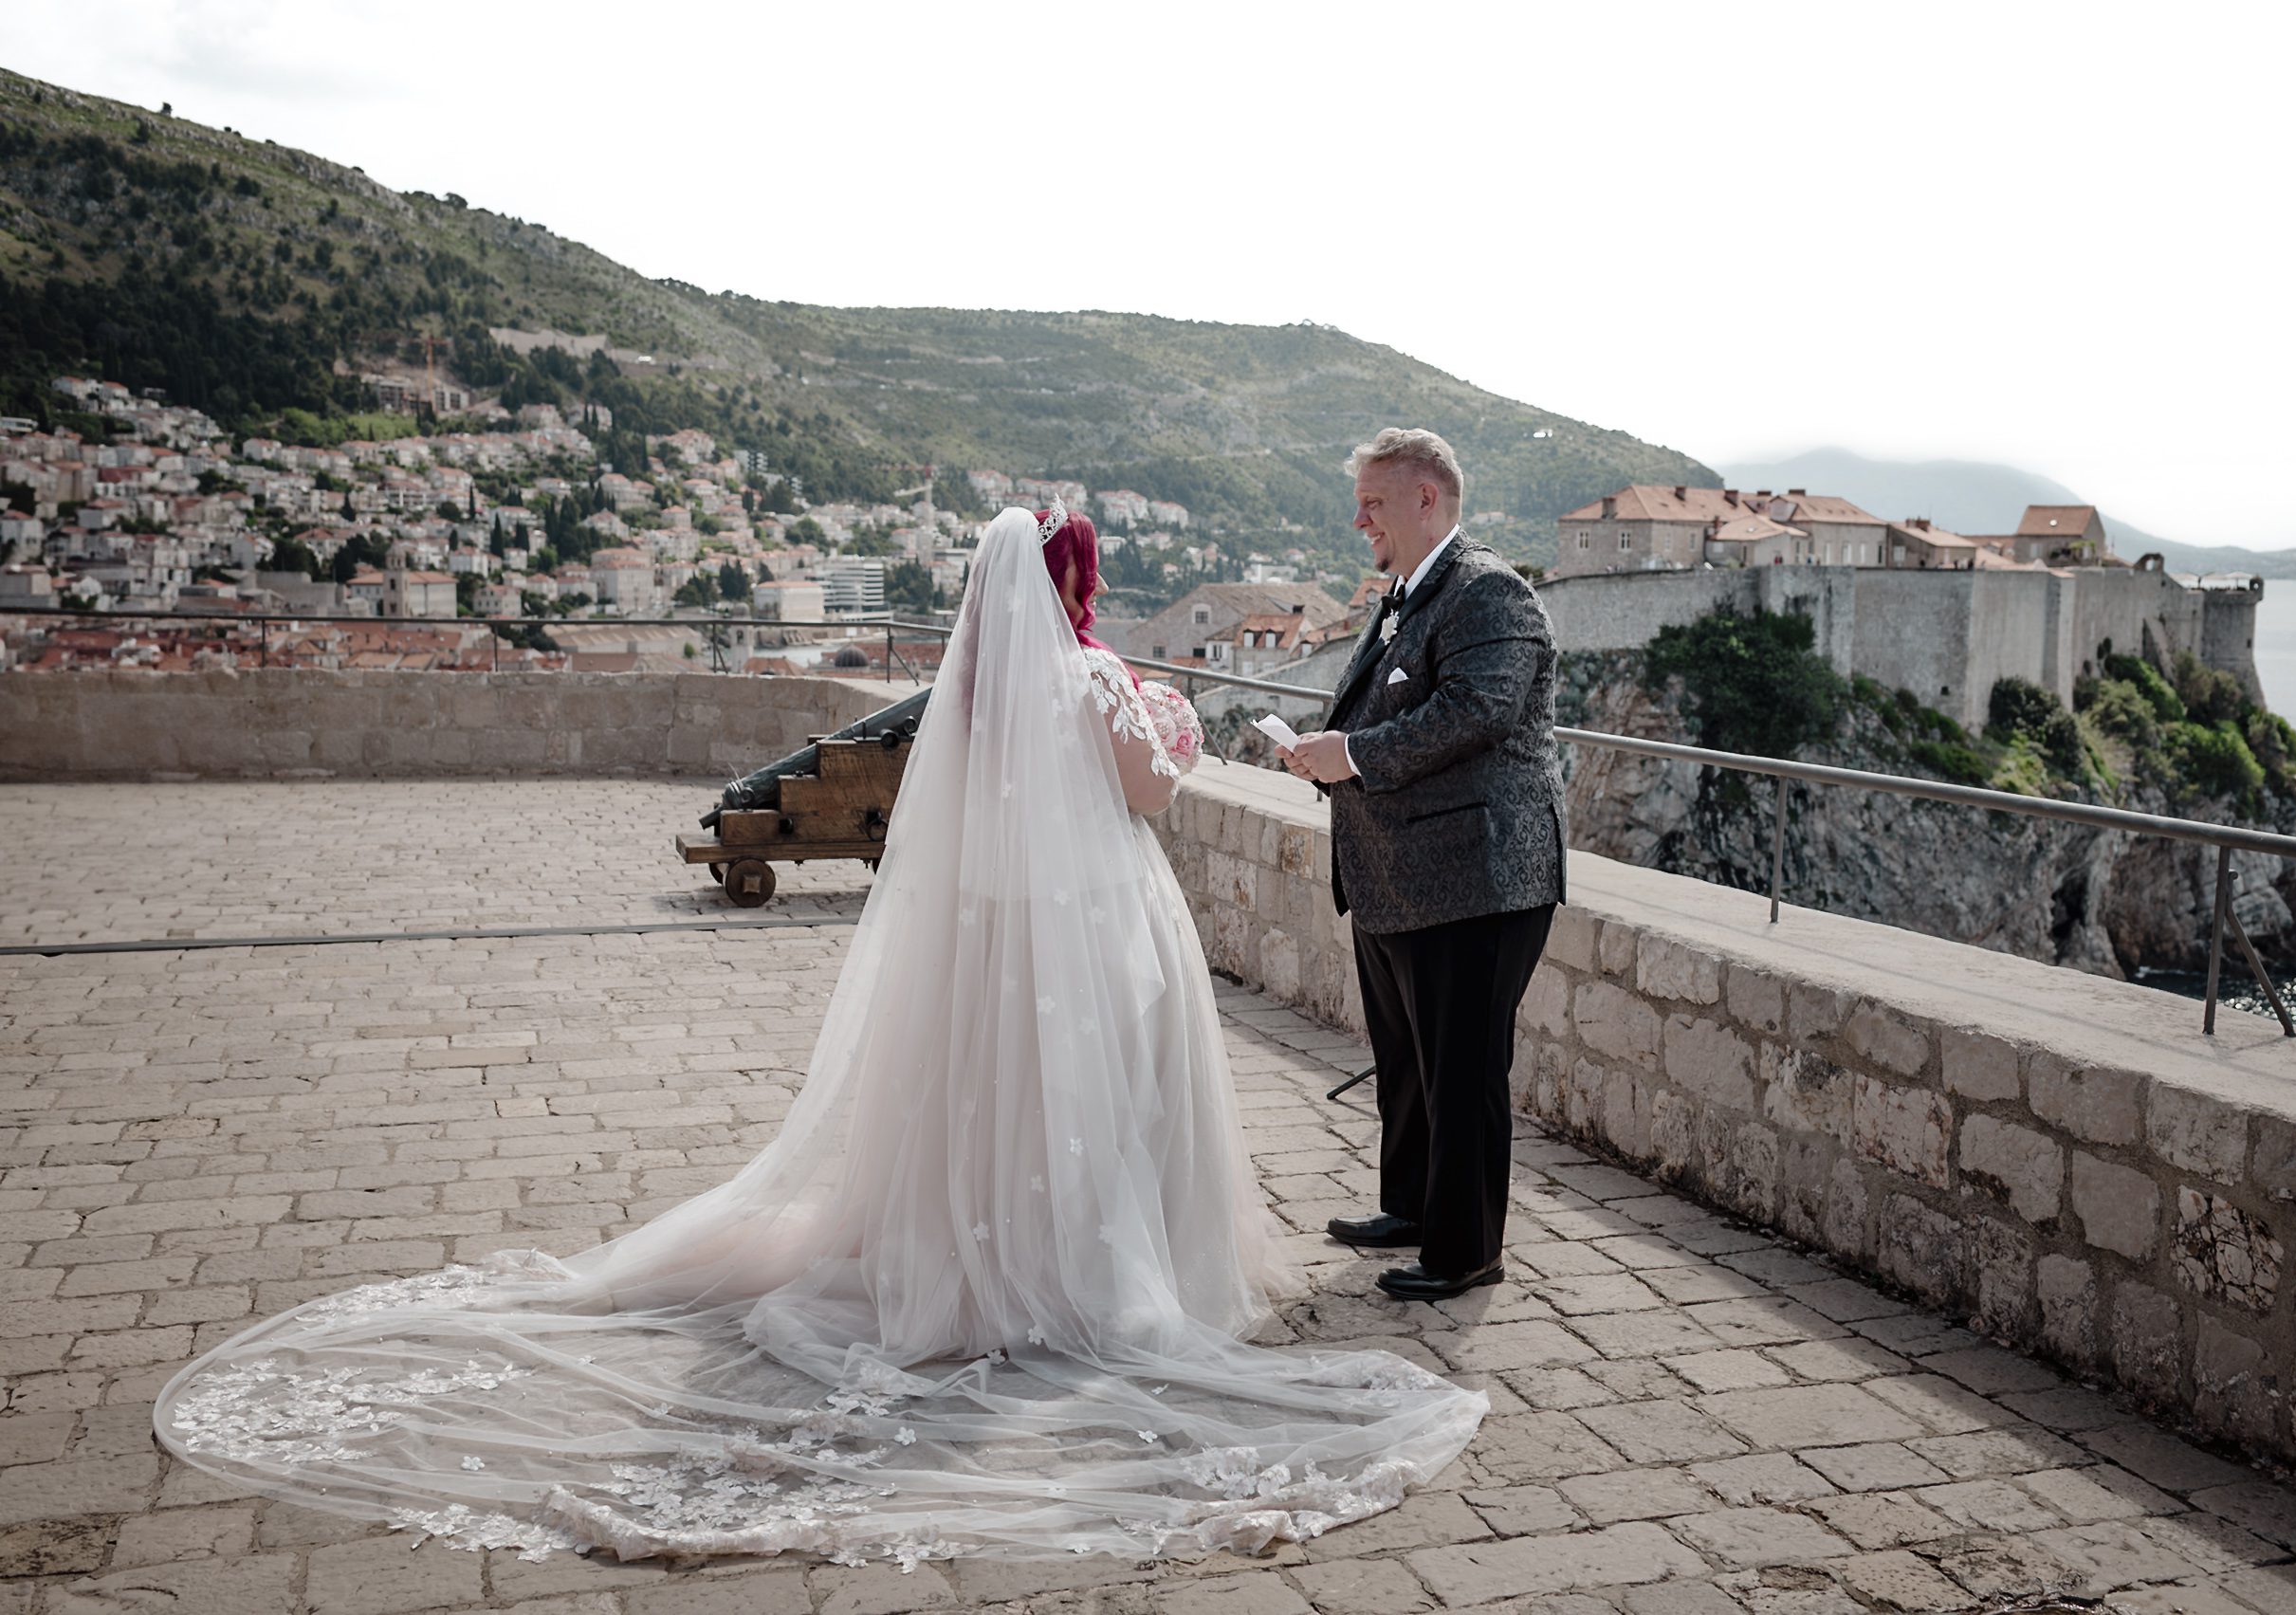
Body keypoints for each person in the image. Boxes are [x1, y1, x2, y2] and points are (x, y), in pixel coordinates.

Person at [153, 504, 1484, 1568]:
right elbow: (1150, 789)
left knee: (989, 1100)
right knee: (1093, 1101)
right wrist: (1173, 733)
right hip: (1087, 931)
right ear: (1079, 583)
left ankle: (971, 1250)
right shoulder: (1092, 677)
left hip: (985, 935)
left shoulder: (966, 697)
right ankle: (1077, 1264)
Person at [1283, 430, 1566, 1302]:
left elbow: (1476, 712)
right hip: (1400, 877)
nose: (1358, 517)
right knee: (1406, 1061)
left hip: (1478, 879)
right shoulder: (1407, 591)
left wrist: (1353, 756)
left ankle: (1466, 1248)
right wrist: (1322, 752)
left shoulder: (1490, 592)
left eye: (1372, 500)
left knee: (1463, 1069)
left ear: (1425, 499)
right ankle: (1410, 1207)